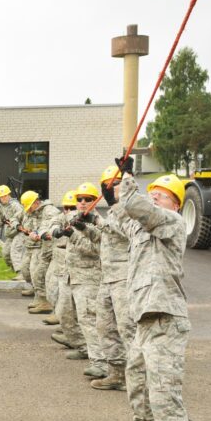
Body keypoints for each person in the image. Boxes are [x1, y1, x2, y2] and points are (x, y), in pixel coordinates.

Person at [116, 170, 195, 421]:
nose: (155, 199)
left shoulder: (173, 223)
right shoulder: (143, 230)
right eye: (153, 194)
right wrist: (113, 192)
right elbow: (123, 216)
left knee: (165, 397)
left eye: (160, 195)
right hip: (144, 320)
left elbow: (138, 207)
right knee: (135, 379)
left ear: (174, 203)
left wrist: (128, 181)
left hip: (166, 319)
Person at [90, 165, 135, 391]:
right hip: (107, 277)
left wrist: (100, 221)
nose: (112, 189)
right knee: (105, 327)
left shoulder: (133, 208)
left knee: (127, 327)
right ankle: (116, 373)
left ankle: (138, 378)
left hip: (125, 277)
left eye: (116, 184)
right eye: (108, 186)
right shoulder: (114, 209)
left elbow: (127, 230)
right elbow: (104, 236)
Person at [66, 182, 107, 380]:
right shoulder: (73, 218)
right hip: (74, 277)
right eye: (79, 199)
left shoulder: (98, 222)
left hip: (90, 279)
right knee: (80, 319)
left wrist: (73, 235)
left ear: (95, 201)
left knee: (90, 320)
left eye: (87, 199)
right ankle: (89, 353)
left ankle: (100, 362)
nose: (82, 203)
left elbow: (97, 250)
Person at [19, 191, 61, 314]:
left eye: (29, 206)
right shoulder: (37, 212)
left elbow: (52, 227)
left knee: (43, 277)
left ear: (36, 202)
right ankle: (43, 301)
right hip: (45, 249)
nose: (28, 210)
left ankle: (47, 304)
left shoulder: (49, 211)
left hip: (51, 250)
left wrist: (38, 234)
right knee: (38, 275)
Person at [42, 190, 77, 325]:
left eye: (71, 208)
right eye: (66, 208)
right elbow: (51, 225)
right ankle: (58, 313)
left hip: (70, 262)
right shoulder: (61, 217)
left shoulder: (81, 220)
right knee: (51, 288)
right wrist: (52, 231)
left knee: (67, 295)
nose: (68, 211)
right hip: (57, 258)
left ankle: (66, 322)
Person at [0, 185, 25, 274]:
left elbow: (23, 217)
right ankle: (12, 267)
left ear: (9, 195)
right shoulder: (1, 207)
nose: (3, 198)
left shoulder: (15, 205)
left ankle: (20, 273)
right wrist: (1, 221)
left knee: (15, 251)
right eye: (1, 197)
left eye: (5, 196)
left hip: (19, 232)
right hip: (10, 233)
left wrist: (14, 222)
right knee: (5, 253)